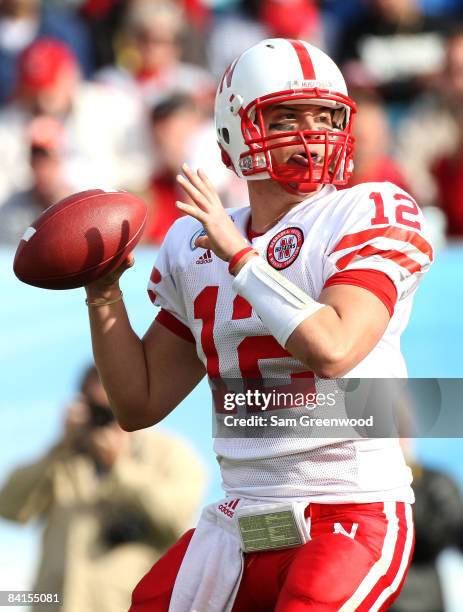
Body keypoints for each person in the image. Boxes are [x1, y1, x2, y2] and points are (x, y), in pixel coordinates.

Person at [84, 39, 434, 611]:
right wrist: (102, 295)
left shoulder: (364, 211)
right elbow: (137, 403)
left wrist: (243, 258)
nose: (311, 132)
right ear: (234, 129)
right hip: (247, 521)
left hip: (349, 512)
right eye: (287, 116)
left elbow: (336, 347)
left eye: (326, 116)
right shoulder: (194, 245)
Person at [0, 365, 205, 612]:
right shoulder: (65, 456)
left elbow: (177, 521)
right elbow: (9, 508)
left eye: (109, 409)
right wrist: (59, 447)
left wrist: (120, 468)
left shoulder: (168, 453)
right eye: (94, 409)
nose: (104, 420)